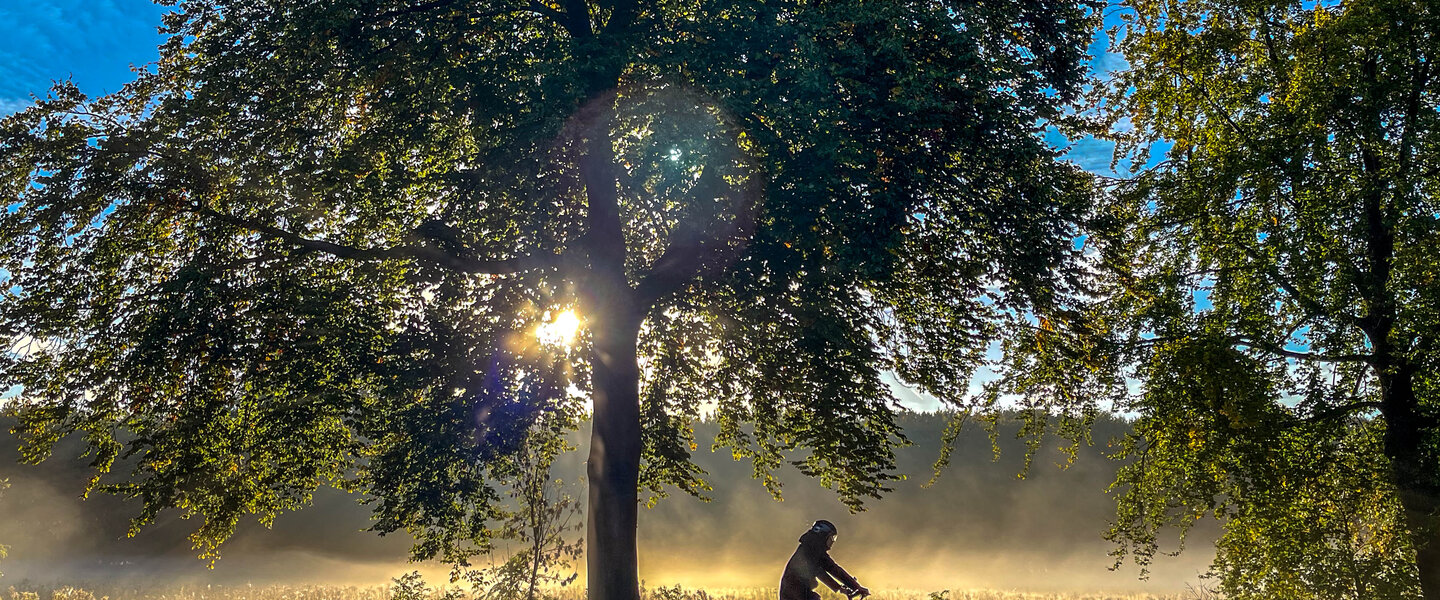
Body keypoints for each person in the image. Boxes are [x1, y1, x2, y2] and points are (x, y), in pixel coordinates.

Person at [779, 520, 871, 600]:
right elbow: (832, 569)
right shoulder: (813, 550)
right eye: (831, 538)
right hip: (799, 594)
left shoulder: (809, 549)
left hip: (794, 594)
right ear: (823, 536)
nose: (832, 542)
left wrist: (841, 588)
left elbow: (821, 572)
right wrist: (856, 587)